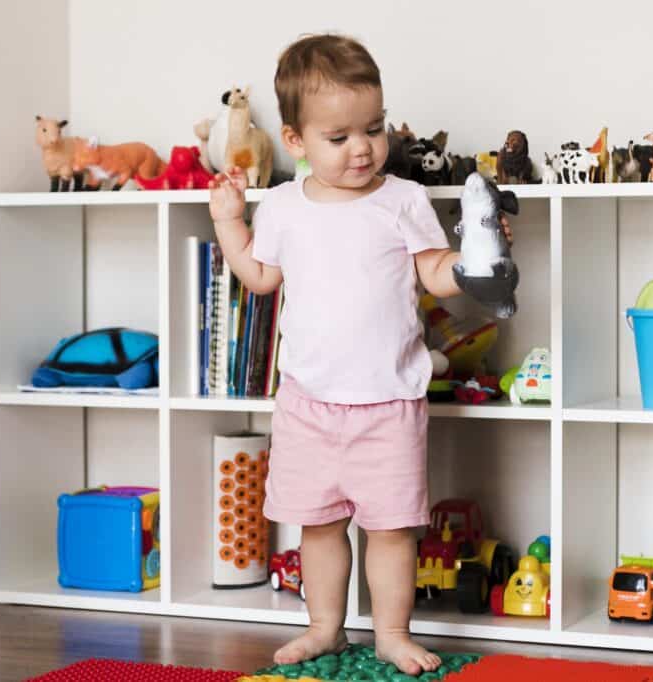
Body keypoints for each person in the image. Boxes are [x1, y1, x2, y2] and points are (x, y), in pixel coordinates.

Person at [208, 33, 511, 676]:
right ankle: (325, 628)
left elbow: (433, 272)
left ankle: (393, 633)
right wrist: (229, 222)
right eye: (339, 137)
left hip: (388, 403)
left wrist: (472, 266)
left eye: (373, 128)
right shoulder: (286, 205)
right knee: (318, 528)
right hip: (308, 404)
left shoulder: (402, 198)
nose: (363, 147)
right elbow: (259, 279)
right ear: (295, 142)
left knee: (392, 530)